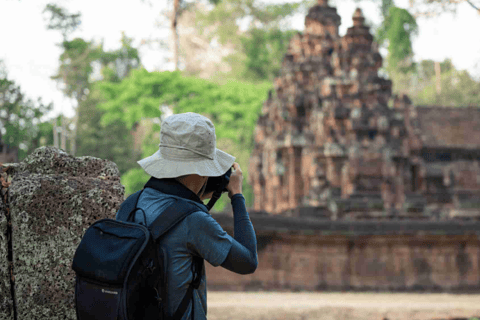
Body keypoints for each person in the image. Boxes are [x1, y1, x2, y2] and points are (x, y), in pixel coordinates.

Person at [134, 112, 258, 320]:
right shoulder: (193, 220)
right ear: (201, 170)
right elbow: (247, 261)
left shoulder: (133, 203)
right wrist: (237, 195)